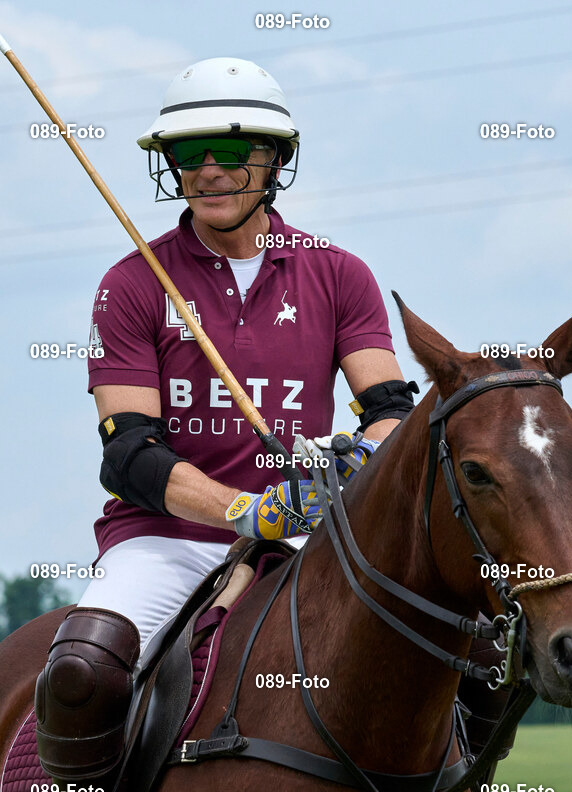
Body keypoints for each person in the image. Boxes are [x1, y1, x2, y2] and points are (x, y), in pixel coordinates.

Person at [34, 57, 418, 789]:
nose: (209, 171)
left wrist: (358, 463)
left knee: (442, 649)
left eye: (234, 152)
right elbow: (131, 455)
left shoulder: (338, 273)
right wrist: (245, 508)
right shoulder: (133, 282)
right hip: (165, 541)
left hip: (314, 537)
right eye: (188, 154)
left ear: (274, 160)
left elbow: (391, 411)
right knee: (82, 669)